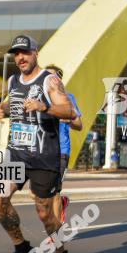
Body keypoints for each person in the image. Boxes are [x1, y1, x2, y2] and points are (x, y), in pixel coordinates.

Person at [0, 35, 75, 253]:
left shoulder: (50, 80)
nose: (20, 58)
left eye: (24, 52)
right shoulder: (13, 80)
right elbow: (13, 105)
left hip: (43, 157)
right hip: (16, 152)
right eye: (16, 54)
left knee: (44, 214)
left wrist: (44, 107)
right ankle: (21, 247)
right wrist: (2, 110)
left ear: (36, 52)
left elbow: (68, 111)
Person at [45, 65, 82, 225]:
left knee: (54, 192)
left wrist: (69, 120)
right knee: (37, 194)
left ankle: (56, 234)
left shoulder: (68, 98)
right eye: (46, 76)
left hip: (61, 150)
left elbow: (79, 125)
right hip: (42, 150)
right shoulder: (39, 98)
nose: (48, 80)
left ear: (59, 80)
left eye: (52, 77)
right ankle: (63, 202)